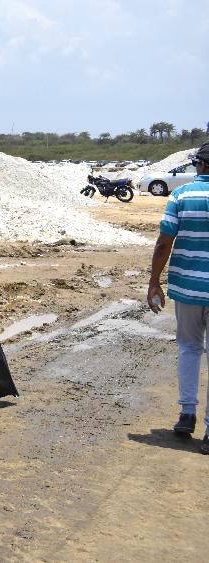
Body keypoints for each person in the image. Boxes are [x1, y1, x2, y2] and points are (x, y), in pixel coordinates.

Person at [148, 141, 209, 455]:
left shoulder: (180, 196)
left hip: (187, 288)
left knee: (188, 347)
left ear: (199, 164)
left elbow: (163, 243)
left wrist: (154, 282)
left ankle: (187, 415)